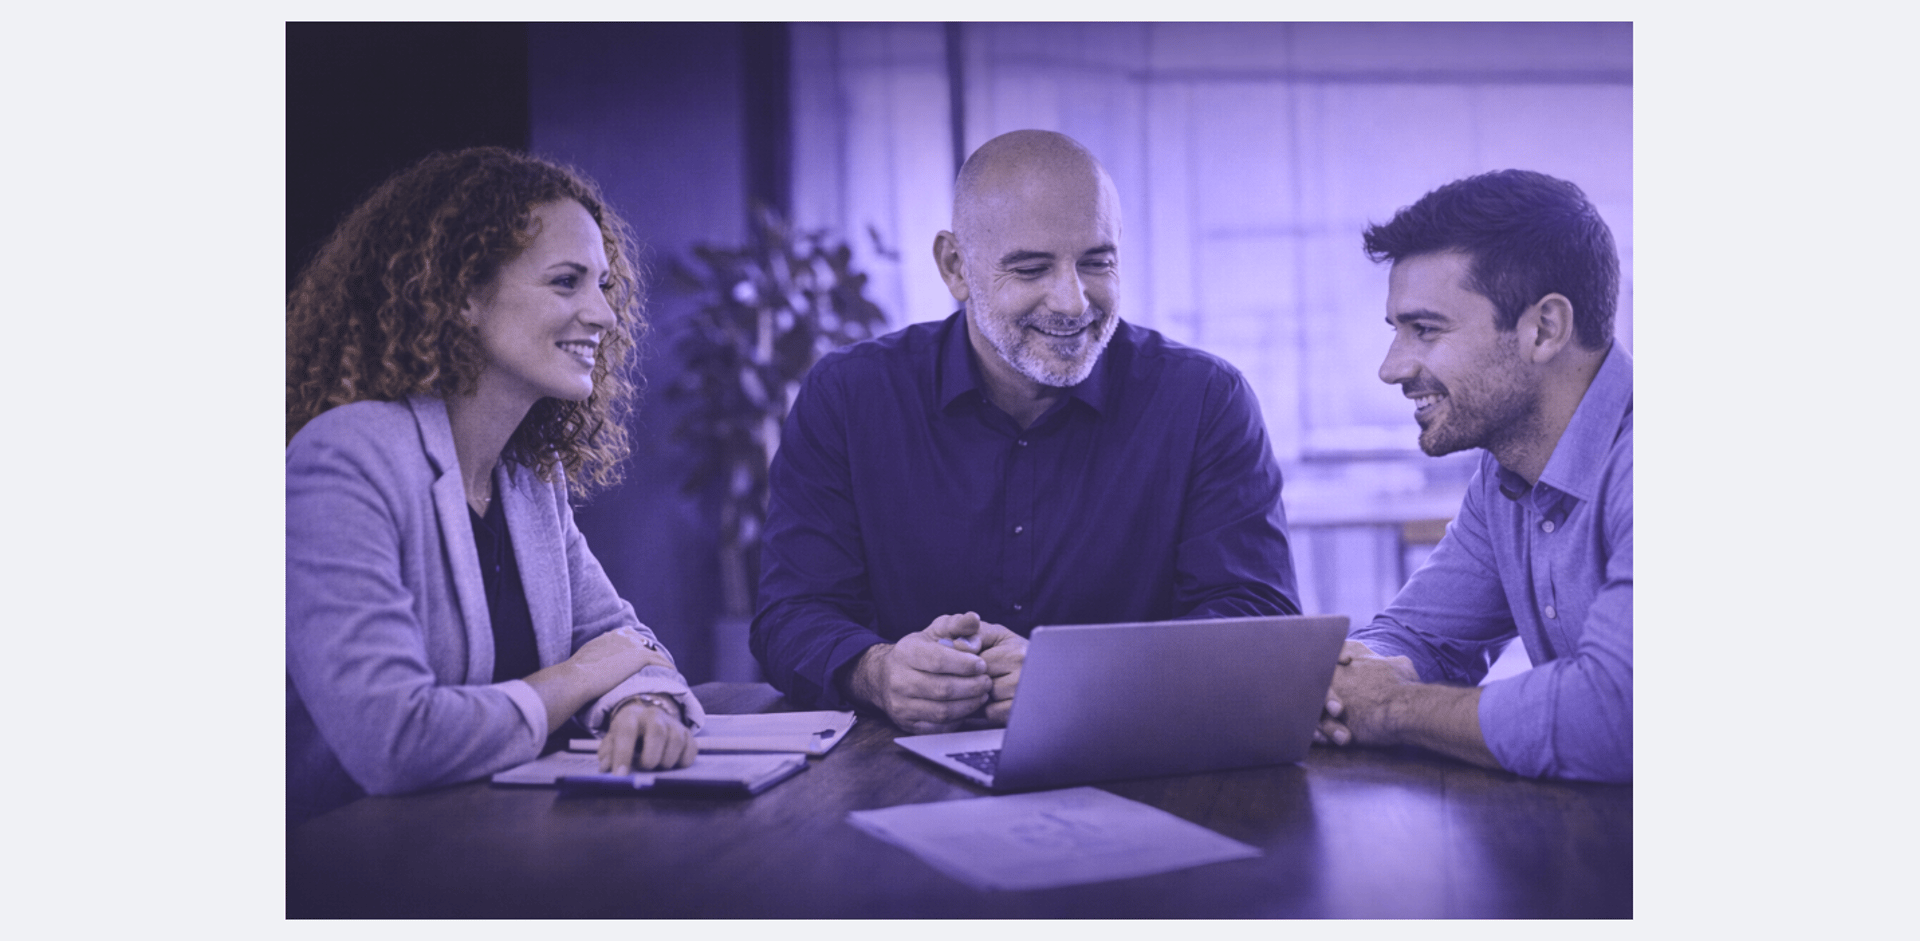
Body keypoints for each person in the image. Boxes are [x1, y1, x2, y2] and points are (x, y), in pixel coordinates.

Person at [752, 129, 1300, 733]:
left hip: (1133, 764)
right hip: (895, 774)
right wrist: (877, 671)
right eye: (1031, 268)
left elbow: (1256, 619)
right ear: (955, 267)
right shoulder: (849, 398)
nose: (1071, 301)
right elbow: (792, 614)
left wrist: (1083, 679)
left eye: (1097, 262)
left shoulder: (1205, 401)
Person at [286, 147, 705, 826]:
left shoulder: (528, 480)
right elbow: (394, 741)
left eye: (603, 285)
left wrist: (642, 704)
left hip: (487, 850)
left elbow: (630, 643)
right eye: (567, 281)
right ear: (462, 297)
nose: (603, 314)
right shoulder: (343, 458)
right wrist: (581, 676)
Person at [1318, 169, 1631, 782]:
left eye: (1425, 330)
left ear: (1543, 329)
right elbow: (1425, 640)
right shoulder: (1507, 474)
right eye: (1396, 332)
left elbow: (1618, 716)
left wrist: (1393, 707)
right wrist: (1351, 676)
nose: (1392, 368)